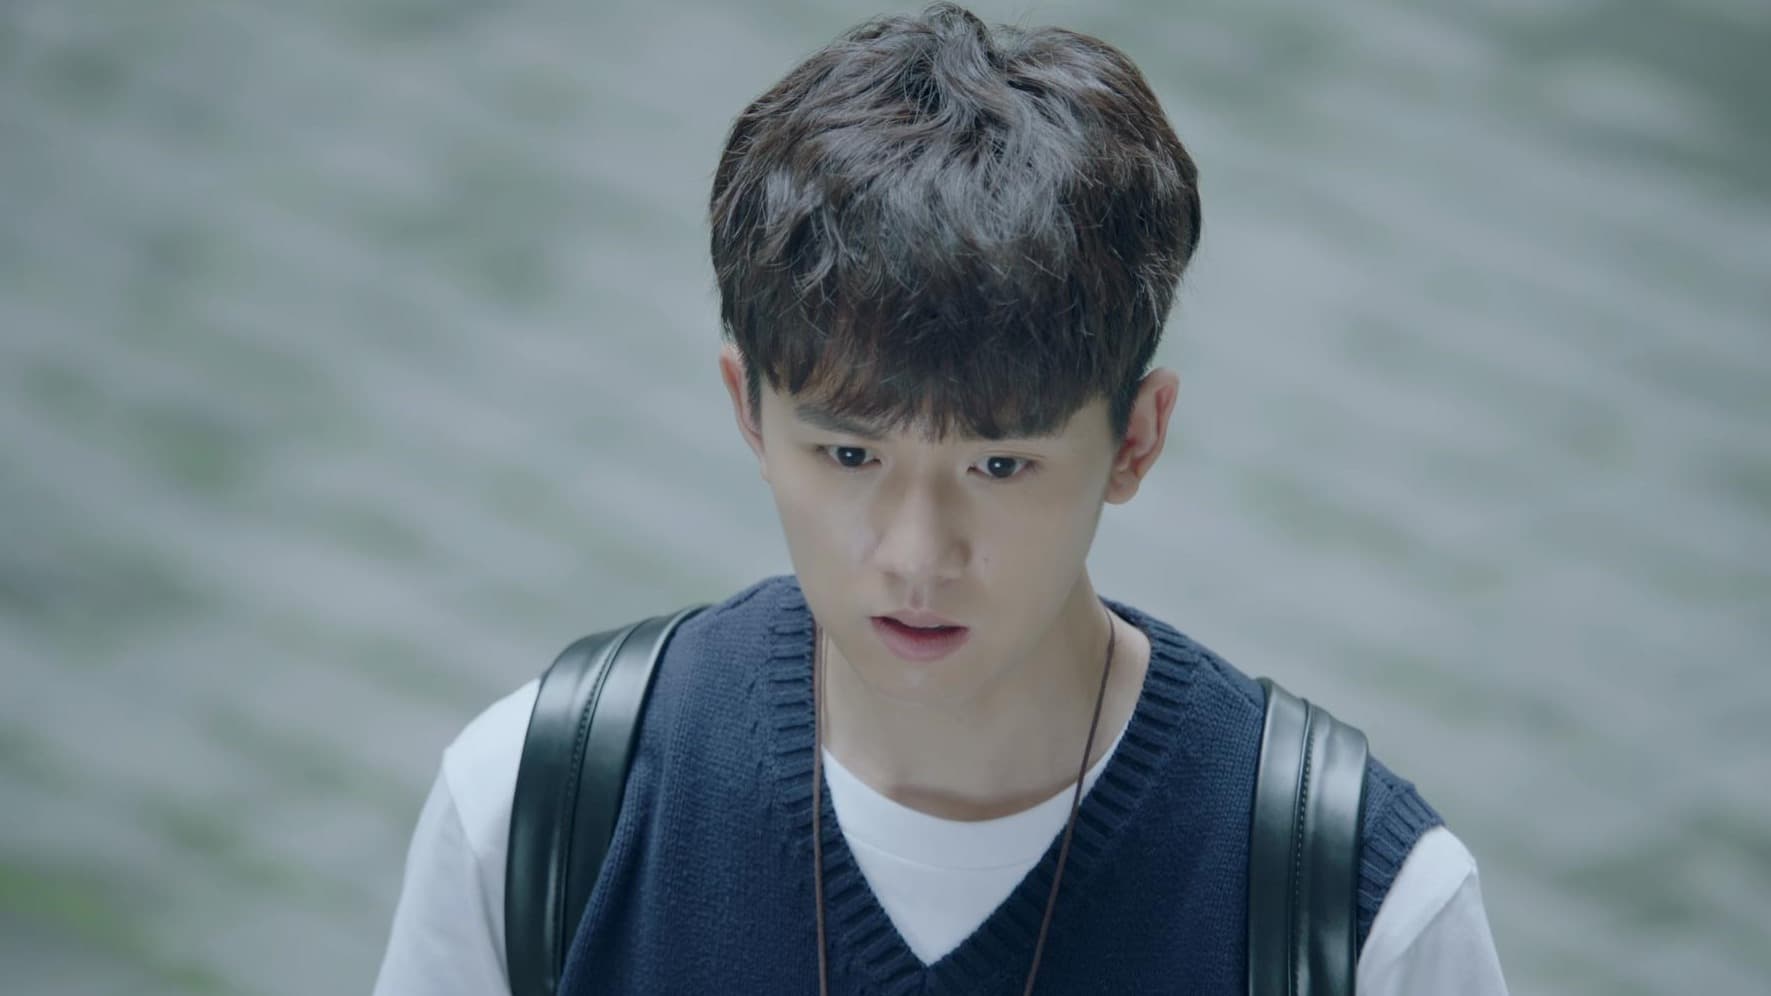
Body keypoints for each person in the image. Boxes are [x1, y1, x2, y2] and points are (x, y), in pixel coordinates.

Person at [372, 4, 1508, 993]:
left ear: (1136, 438)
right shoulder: (541, 805)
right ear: (748, 412)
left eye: (998, 466)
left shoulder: (1356, 906)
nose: (916, 556)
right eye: (849, 455)